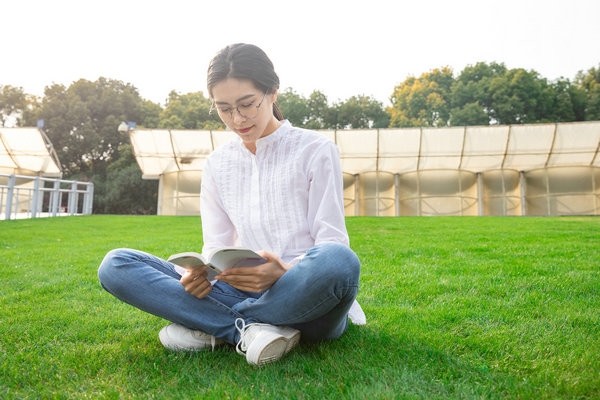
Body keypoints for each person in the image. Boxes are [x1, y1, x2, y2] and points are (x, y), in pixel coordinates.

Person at [98, 43, 364, 366]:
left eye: (247, 105)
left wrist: (283, 272)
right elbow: (215, 249)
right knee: (116, 265)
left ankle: (211, 325)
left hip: (304, 292)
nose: (237, 119)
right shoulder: (216, 165)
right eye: (224, 109)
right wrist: (199, 275)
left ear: (273, 92)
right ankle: (245, 330)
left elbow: (332, 242)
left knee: (340, 262)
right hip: (238, 289)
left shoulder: (316, 150)